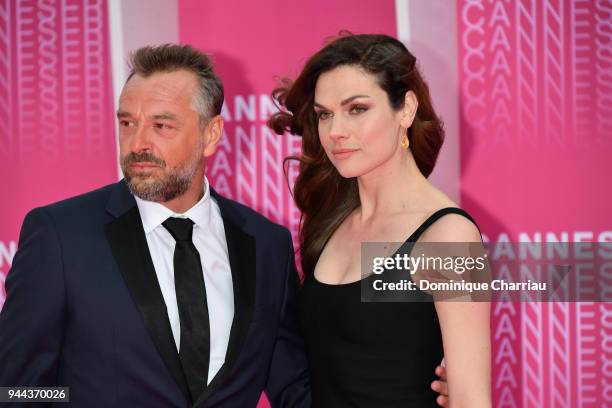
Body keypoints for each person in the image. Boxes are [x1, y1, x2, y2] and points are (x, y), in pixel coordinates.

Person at [0, 44, 310, 407]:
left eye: (161, 125)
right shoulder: (60, 236)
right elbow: (16, 389)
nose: (138, 143)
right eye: (127, 123)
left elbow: (292, 387)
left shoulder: (267, 245)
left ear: (211, 134)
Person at [269, 33, 491, 407]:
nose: (336, 131)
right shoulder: (331, 221)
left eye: (357, 108)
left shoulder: (448, 234)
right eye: (324, 114)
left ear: (405, 109)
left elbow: (471, 400)